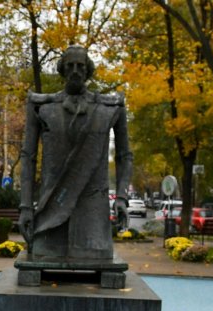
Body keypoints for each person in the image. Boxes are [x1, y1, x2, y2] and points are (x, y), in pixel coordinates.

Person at [18, 44, 132, 263]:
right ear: (62, 70)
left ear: (88, 70)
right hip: (51, 214)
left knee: (98, 259)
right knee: (42, 256)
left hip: (93, 218)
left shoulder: (110, 108)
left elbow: (124, 156)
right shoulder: (42, 107)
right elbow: (28, 156)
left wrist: (121, 198)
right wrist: (25, 207)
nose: (75, 71)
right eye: (70, 66)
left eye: (80, 66)